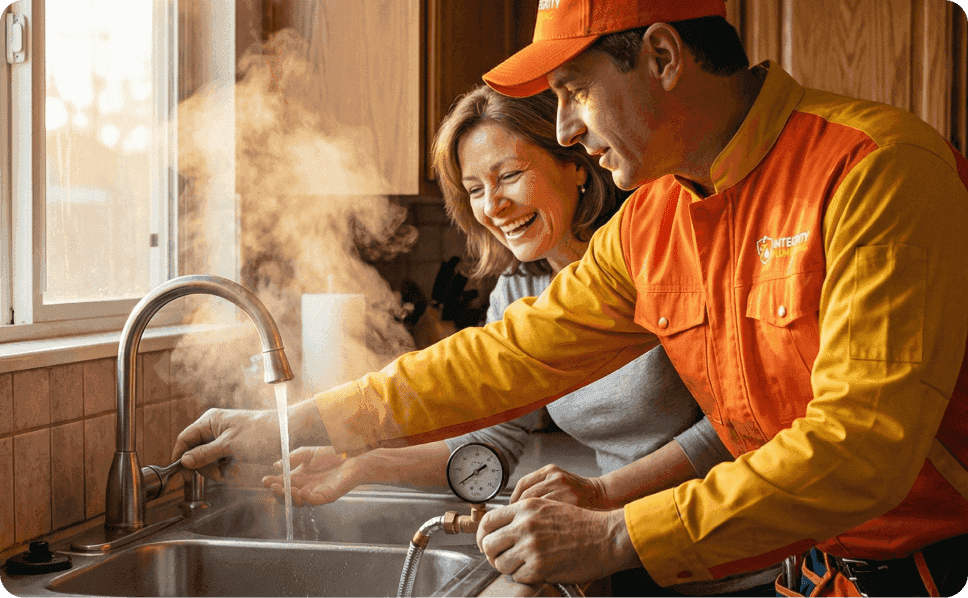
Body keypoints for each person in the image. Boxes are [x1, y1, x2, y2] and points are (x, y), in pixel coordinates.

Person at [173, 1, 968, 596]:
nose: (565, 128)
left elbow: (863, 444)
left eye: (576, 92)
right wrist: (291, 423)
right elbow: (506, 357)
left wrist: (620, 533)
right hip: (812, 572)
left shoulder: (877, 169)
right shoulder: (656, 219)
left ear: (661, 56)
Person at [259, 85, 777, 595]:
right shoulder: (518, 289)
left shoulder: (658, 255)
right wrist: (364, 465)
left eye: (508, 175)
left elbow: (734, 426)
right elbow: (492, 446)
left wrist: (603, 495)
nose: (493, 206)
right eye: (475, 189)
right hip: (626, 558)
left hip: (734, 554)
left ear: (577, 164)